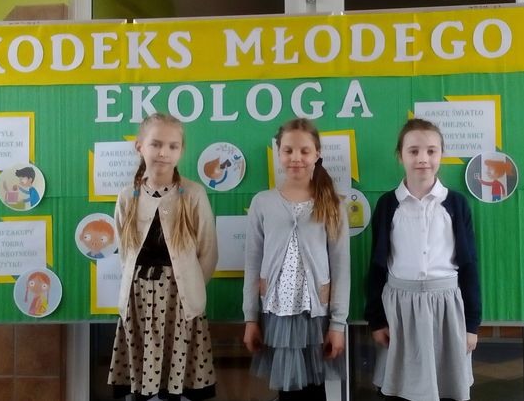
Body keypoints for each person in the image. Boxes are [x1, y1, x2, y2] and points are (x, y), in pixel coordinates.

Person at [365, 118, 482, 401]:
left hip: (446, 308)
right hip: (400, 309)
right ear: (400, 155)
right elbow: (377, 266)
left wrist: (471, 325)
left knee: (445, 388)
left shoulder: (456, 204)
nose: (423, 159)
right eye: (413, 151)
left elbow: (469, 265)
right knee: (400, 388)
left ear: (441, 154)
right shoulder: (387, 205)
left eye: (431, 151)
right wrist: (377, 321)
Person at [108, 113, 218, 401]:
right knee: (142, 386)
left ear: (181, 150)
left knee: (177, 385)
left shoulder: (193, 194)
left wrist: (190, 287)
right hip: (138, 300)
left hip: (180, 300)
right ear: (140, 147)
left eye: (172, 146)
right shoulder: (127, 196)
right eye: (155, 144)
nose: (163, 153)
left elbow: (208, 251)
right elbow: (125, 252)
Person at [242, 118, 350, 401]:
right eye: (288, 150)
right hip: (276, 316)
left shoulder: (332, 203)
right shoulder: (262, 202)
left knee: (315, 392)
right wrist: (250, 318)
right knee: (287, 392)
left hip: (315, 316)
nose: (296, 158)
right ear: (278, 153)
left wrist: (338, 324)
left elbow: (341, 267)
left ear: (317, 154)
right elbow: (252, 263)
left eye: (304, 151)